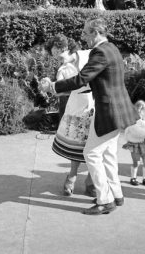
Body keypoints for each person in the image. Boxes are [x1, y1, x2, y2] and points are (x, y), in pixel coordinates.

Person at [41, 18, 136, 216]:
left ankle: (105, 201)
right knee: (108, 154)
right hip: (118, 110)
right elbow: (83, 62)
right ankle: (117, 195)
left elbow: (81, 79)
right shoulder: (112, 48)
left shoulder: (100, 51)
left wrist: (53, 87)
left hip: (109, 111)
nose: (83, 37)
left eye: (86, 33)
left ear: (96, 33)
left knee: (91, 153)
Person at [47, 34, 95, 197]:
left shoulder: (87, 56)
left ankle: (91, 180)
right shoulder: (63, 69)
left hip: (95, 103)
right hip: (76, 106)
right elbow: (61, 91)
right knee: (77, 143)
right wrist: (50, 87)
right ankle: (72, 176)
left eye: (56, 52)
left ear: (64, 47)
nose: (55, 56)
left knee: (94, 145)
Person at [122, 100, 145, 187]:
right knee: (136, 162)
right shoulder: (134, 122)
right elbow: (133, 131)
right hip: (135, 145)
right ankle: (133, 177)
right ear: (141, 111)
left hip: (144, 145)